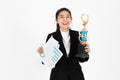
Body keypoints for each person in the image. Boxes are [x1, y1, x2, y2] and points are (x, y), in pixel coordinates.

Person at [37, 8, 91, 80]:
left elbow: (82, 59)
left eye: (67, 16)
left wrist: (85, 50)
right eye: (61, 17)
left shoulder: (77, 35)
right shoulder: (52, 37)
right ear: (56, 20)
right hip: (58, 76)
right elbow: (46, 62)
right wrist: (42, 54)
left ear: (71, 19)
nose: (65, 19)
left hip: (76, 75)